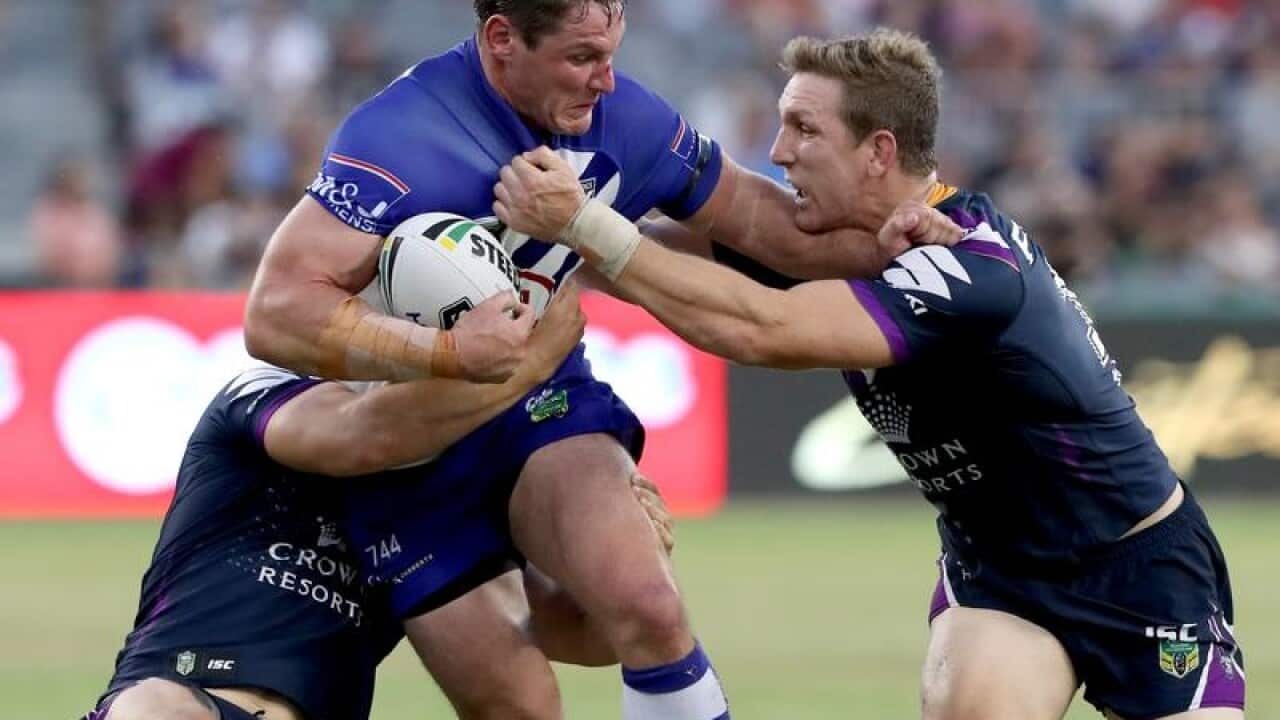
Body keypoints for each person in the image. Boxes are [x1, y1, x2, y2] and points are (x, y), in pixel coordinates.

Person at [493, 29, 1247, 720]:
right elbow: (650, 261)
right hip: (1001, 575)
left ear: (879, 152)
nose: (779, 152)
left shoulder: (971, 268)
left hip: (1139, 567)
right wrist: (518, 227)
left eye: (805, 130)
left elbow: (761, 329)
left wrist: (583, 222)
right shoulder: (829, 243)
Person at [244, 3, 960, 716]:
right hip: (406, 454)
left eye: (613, 53)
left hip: (542, 406)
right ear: (501, 40)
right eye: (583, 57)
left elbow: (761, 225)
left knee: (647, 607)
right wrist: (447, 350)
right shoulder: (401, 136)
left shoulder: (628, 122)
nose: (607, 81)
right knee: (519, 708)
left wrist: (923, 231)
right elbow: (275, 313)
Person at [83, 288, 672, 720]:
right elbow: (362, 436)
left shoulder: (446, 496)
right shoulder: (264, 394)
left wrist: (625, 566)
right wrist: (529, 369)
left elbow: (576, 634)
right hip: (182, 693)